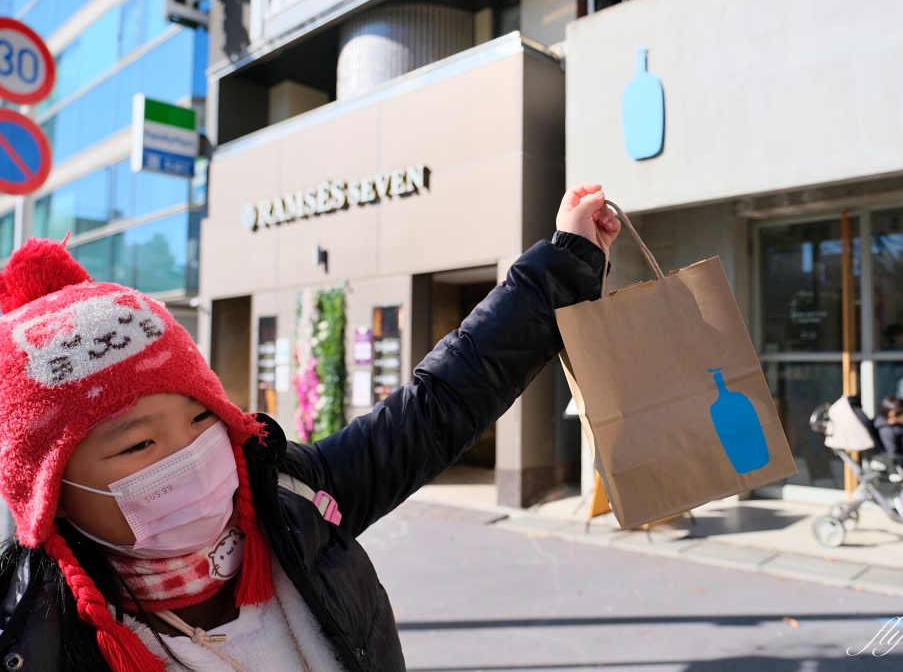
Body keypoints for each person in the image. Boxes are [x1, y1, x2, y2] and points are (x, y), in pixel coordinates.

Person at [0, 183, 621, 671]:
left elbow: (440, 402)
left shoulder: (292, 500)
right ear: (48, 492)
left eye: (202, 416)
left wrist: (562, 264)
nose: (192, 453)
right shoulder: (29, 636)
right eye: (139, 443)